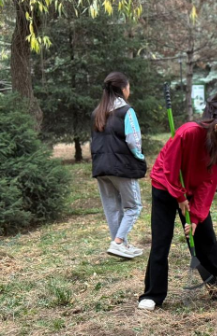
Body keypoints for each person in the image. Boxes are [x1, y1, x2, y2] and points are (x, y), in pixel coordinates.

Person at [138, 110, 217, 310]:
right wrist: (180, 197)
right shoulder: (188, 132)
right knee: (161, 240)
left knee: (206, 239)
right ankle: (153, 295)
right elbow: (171, 168)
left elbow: (209, 182)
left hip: (193, 188)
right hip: (165, 185)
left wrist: (195, 218)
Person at [91, 72, 146, 259]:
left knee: (112, 208)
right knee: (134, 206)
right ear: (123, 89)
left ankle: (122, 245)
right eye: (128, 87)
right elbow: (134, 141)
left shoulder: (97, 112)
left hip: (101, 168)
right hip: (122, 167)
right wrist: (139, 158)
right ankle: (118, 242)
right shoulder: (126, 111)